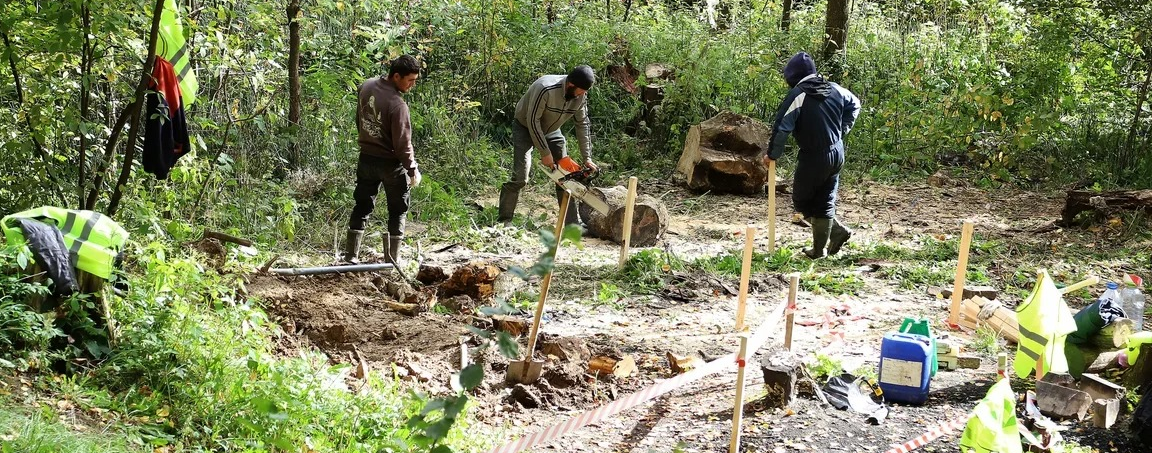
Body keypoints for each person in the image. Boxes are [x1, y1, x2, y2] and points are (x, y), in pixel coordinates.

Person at [764, 51, 861, 259]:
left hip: (814, 156)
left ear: (792, 76)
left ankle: (836, 233)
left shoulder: (798, 94)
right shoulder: (834, 88)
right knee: (825, 198)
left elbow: (782, 127)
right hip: (837, 152)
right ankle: (819, 251)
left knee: (802, 201)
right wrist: (841, 131)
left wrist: (772, 154)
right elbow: (855, 104)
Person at [343, 55, 422, 263]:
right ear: (396, 76)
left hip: (366, 158)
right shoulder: (398, 105)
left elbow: (359, 119)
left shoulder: (366, 86)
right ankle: (392, 261)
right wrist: (412, 169)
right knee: (397, 210)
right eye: (410, 80)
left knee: (362, 204)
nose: (412, 85)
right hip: (390, 165)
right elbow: (403, 145)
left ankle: (351, 255)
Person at [497, 65, 599, 227]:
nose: (582, 95)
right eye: (581, 91)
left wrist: (587, 157)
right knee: (520, 177)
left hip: (551, 129)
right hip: (525, 126)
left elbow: (583, 124)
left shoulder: (581, 97)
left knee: (566, 176)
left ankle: (572, 224)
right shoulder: (545, 88)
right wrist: (545, 153)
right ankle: (504, 220)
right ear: (571, 85)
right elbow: (533, 121)